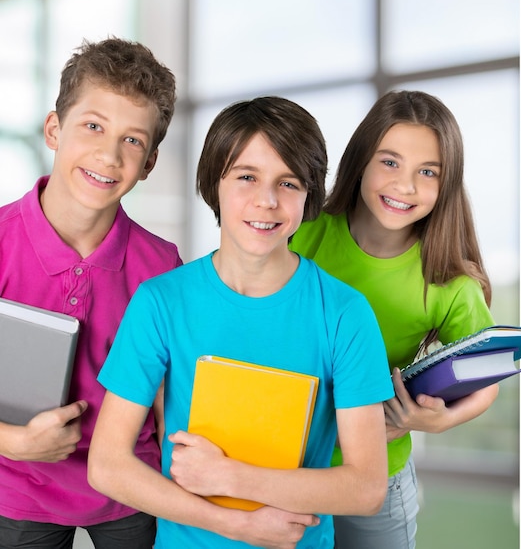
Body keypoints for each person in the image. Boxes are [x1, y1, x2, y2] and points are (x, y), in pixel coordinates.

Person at [88, 96, 394, 549]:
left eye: (288, 183)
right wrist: (233, 524)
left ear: (309, 195)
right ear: (215, 183)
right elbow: (108, 466)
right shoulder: (160, 302)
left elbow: (367, 488)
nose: (266, 201)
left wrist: (230, 477)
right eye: (247, 177)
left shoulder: (345, 314)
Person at [289, 89, 498, 549]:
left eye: (427, 172)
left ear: (447, 185)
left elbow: (487, 381)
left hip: (379, 471)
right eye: (390, 163)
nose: (405, 186)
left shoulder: (450, 282)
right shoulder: (303, 234)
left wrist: (436, 423)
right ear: (360, 160)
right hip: (288, 462)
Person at [0, 37, 183, 548]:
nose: (108, 153)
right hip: (17, 489)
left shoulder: (163, 263)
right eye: (93, 126)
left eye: (132, 140)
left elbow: (173, 399)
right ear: (55, 129)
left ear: (148, 162)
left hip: (132, 491)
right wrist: (13, 441)